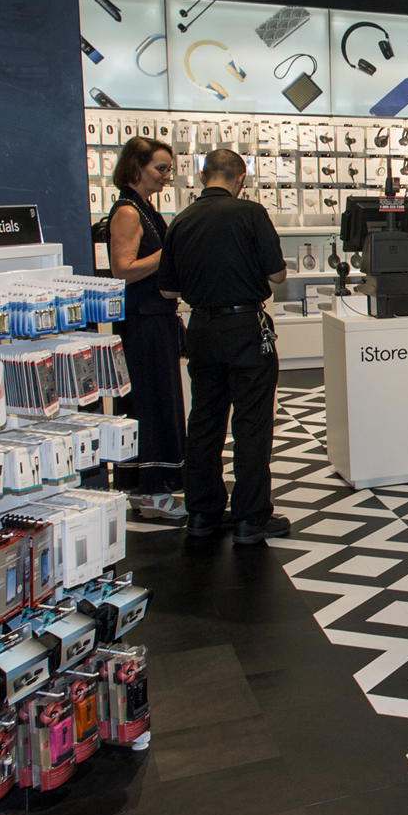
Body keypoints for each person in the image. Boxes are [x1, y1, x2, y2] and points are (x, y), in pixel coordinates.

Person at [158, 149, 290, 546]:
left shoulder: (180, 220)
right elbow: (277, 274)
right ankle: (251, 517)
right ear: (241, 179)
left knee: (204, 420)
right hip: (244, 327)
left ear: (201, 178)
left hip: (201, 327)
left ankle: (202, 512)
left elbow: (167, 288)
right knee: (251, 422)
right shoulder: (250, 214)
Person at [104, 136, 186, 521]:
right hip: (142, 324)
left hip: (156, 319)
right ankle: (151, 492)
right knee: (150, 405)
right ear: (137, 167)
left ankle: (152, 489)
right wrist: (168, 254)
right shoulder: (128, 212)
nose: (166, 176)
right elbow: (123, 269)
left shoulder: (145, 209)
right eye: (160, 168)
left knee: (159, 403)